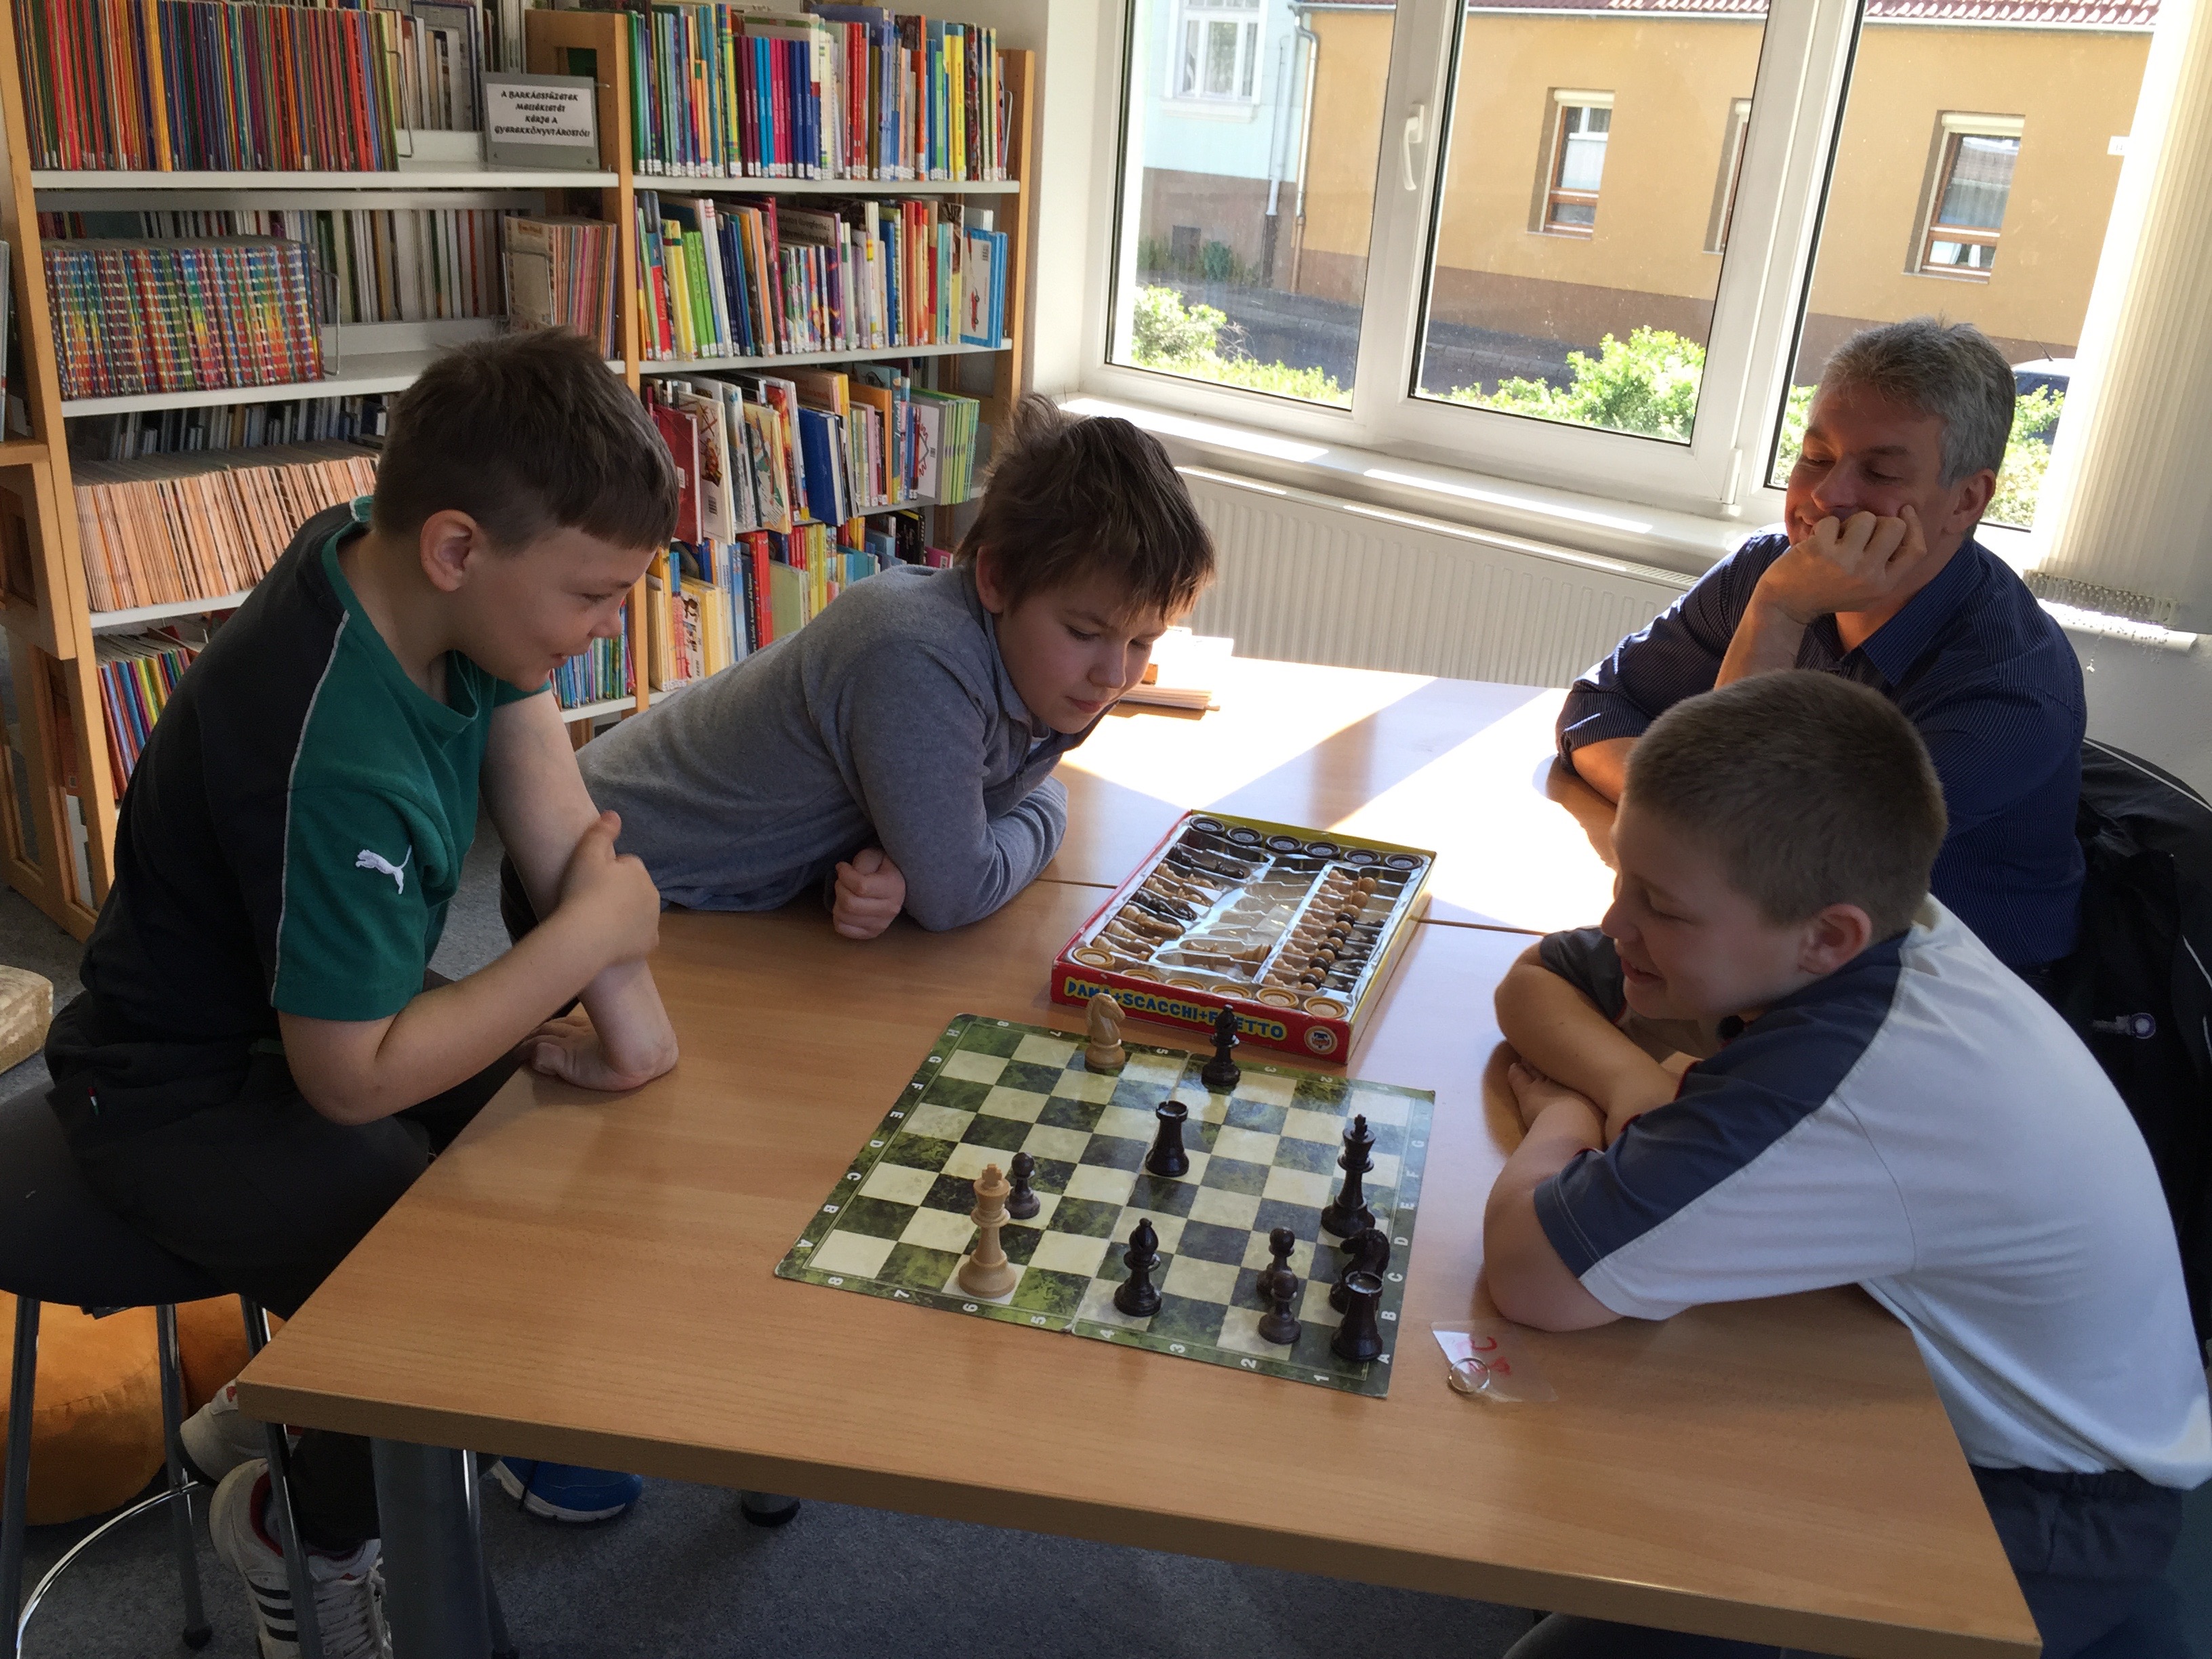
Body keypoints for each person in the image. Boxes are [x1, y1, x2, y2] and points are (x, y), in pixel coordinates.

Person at [43, 330, 682, 1658]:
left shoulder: (406, 561)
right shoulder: (336, 758)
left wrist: (619, 1018)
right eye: (592, 595)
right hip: (175, 1093)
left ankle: (289, 1405)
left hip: (309, 1021)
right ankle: (302, 1530)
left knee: (569, 1177)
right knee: (451, 1291)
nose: (609, 628)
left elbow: (544, 789)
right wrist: (582, 946)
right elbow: (353, 1080)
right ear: (458, 550)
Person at [1489, 672, 2211, 1659]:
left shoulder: (1855, 1068)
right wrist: (1626, 1080)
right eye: (1624, 879)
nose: (1618, 924)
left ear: (1828, 936)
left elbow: (1531, 1275)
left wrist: (1563, 1109)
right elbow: (1547, 974)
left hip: (2047, 1516)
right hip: (1942, 1400)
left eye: (1658, 906)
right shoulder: (1873, 941)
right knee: (1601, 1456)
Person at [572, 394, 1217, 939]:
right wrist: (1044, 818)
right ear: (996, 578)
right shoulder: (917, 661)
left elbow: (988, 811)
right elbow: (960, 891)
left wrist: (897, 862)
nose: (1114, 675)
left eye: (1144, 642)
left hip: (707, 888)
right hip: (591, 866)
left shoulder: (1047, 670)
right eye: (1084, 633)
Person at [1556, 318, 2085, 972]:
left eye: (1880, 472)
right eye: (1815, 458)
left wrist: (1779, 614)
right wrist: (1669, 807)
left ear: (1966, 501)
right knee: (1534, 978)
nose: (1826, 496)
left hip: (1939, 991)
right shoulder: (1774, 567)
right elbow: (1597, 707)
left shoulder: (2011, 687)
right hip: (1774, 953)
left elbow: (1743, 852)